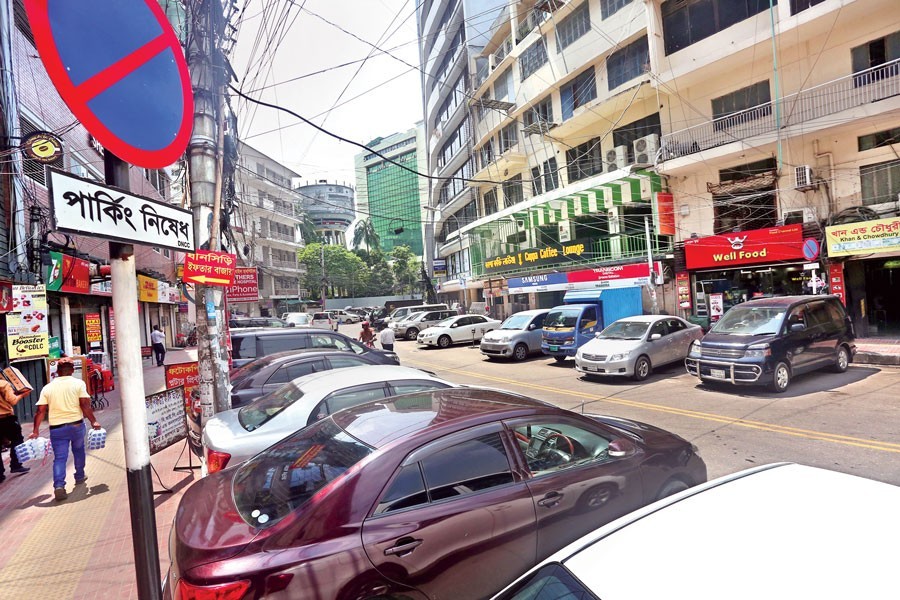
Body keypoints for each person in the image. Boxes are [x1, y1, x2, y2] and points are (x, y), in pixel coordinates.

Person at [30, 357, 102, 501]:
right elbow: (85, 405)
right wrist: (94, 421)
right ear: (73, 370)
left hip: (57, 429)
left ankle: (59, 486)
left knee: (60, 458)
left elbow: (40, 411)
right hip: (76, 425)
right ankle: (80, 476)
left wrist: (36, 430)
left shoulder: (48, 387)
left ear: (57, 371)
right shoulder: (78, 384)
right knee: (79, 451)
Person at [0, 376, 32, 484]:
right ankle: (16, 464)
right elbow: (12, 400)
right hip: (6, 418)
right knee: (17, 440)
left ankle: (0, 474)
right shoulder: (3, 384)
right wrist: (23, 395)